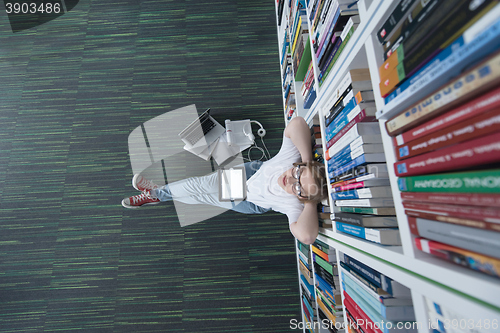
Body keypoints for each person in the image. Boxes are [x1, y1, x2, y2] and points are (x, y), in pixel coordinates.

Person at [121, 116, 328, 245]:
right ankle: (157, 194)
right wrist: (307, 162)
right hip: (250, 173)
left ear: (303, 198)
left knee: (204, 196)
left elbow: (307, 237)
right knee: (200, 186)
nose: (290, 180)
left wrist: (308, 200)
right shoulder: (291, 160)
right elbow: (297, 123)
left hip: (249, 202)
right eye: (298, 174)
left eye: (298, 188)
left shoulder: (295, 205)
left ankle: (157, 195)